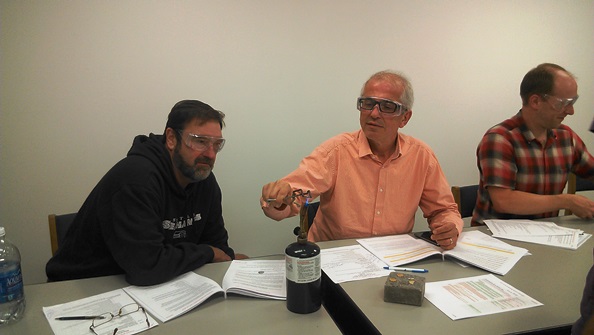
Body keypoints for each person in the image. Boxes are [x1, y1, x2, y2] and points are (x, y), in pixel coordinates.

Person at [46, 100, 246, 286]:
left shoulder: (204, 181)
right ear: (171, 139)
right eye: (200, 141)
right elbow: (147, 267)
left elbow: (221, 249)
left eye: (216, 144)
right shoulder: (136, 179)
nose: (210, 154)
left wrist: (215, 254)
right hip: (83, 287)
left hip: (156, 285)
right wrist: (207, 252)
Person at [260, 70, 463, 248]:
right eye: (368, 104)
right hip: (334, 259)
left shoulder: (421, 157)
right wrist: (278, 200)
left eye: (387, 106)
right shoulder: (336, 151)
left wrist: (449, 227)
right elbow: (291, 199)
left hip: (391, 259)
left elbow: (443, 210)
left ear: (405, 118)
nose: (374, 113)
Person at [472, 63, 594, 226]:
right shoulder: (500, 139)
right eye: (563, 103)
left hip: (548, 235)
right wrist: (567, 201)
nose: (571, 111)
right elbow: (504, 200)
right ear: (535, 101)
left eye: (573, 102)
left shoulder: (566, 137)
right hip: (498, 241)